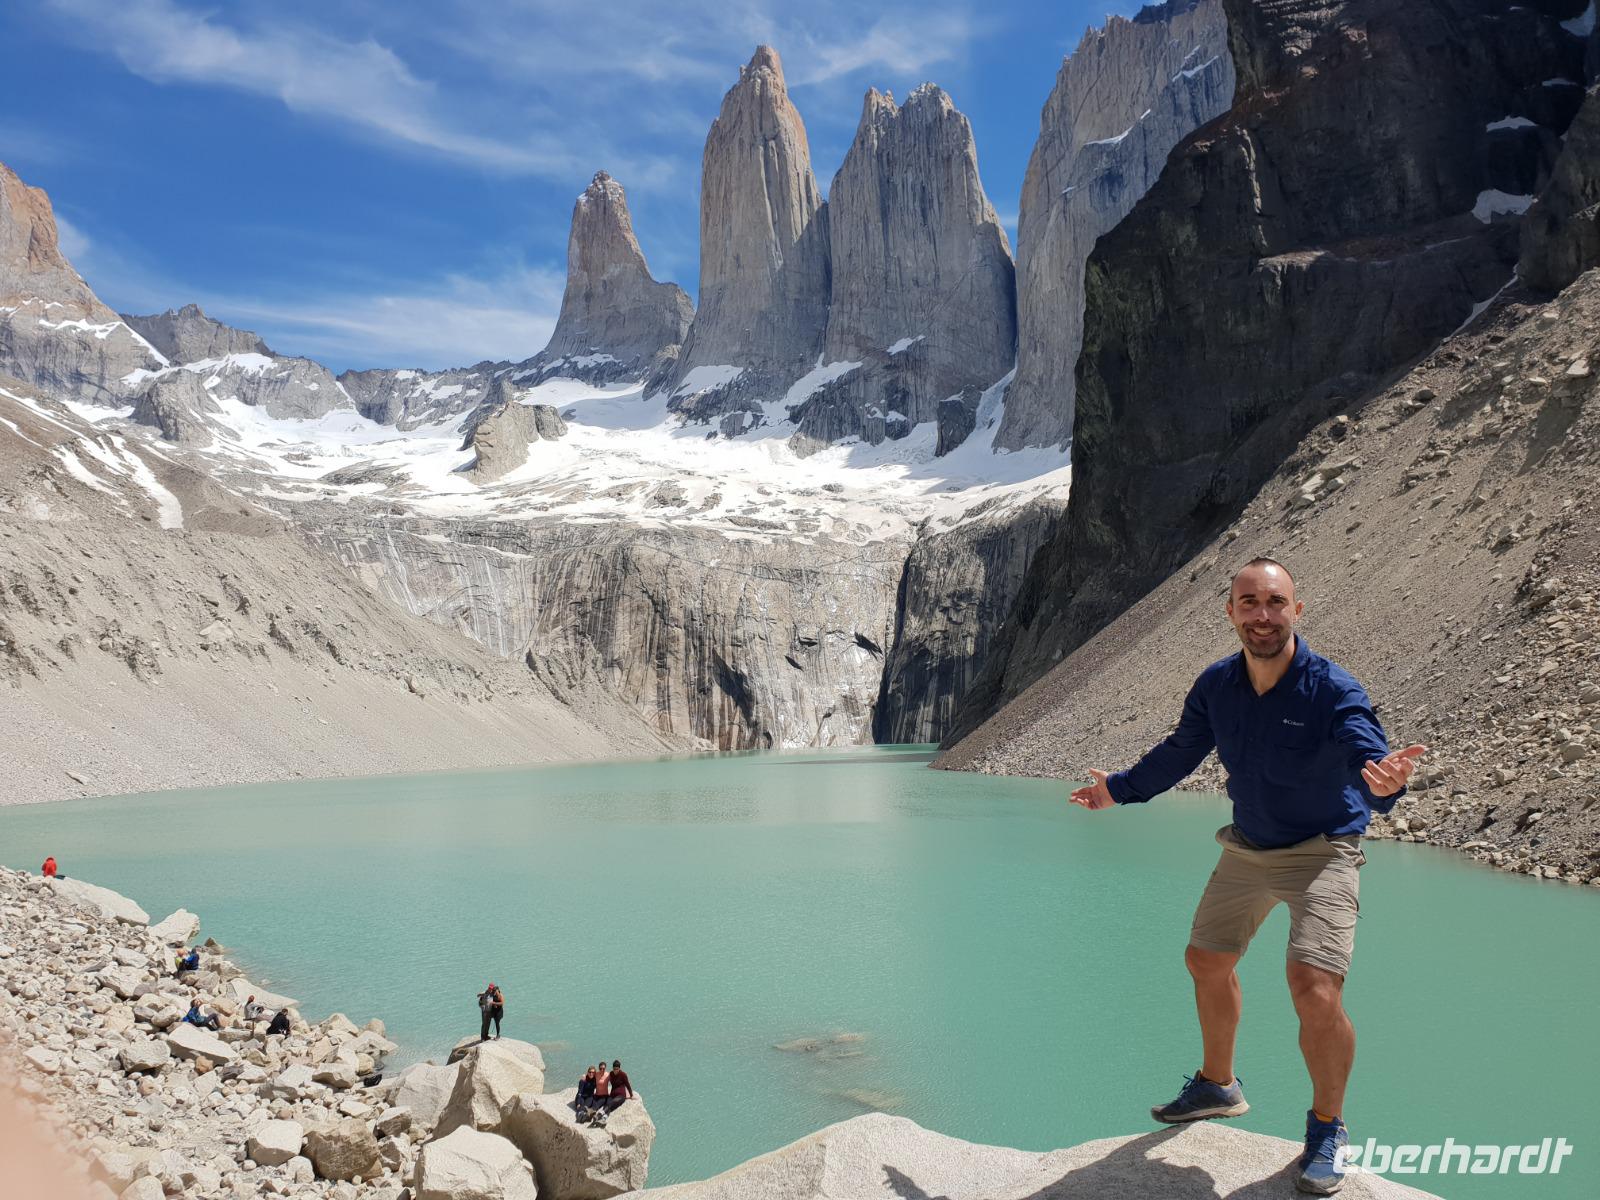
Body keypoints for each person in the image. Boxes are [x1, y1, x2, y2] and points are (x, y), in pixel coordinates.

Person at [1069, 558, 1424, 1196]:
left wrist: (1385, 782)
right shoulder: (1217, 685)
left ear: (1297, 610)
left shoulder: (1332, 689)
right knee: (1205, 959)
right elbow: (1183, 749)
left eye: (1276, 601)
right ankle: (1219, 1084)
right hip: (1250, 845)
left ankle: (1327, 1129)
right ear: (1232, 612)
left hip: (1323, 850)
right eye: (1249, 602)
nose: (1263, 614)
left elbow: (1367, 748)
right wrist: (1117, 791)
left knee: (1314, 987)